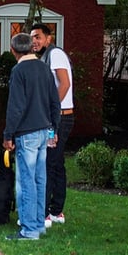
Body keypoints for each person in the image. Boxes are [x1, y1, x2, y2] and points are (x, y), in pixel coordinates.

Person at [3, 33, 61, 240]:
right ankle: (38, 224)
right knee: (39, 179)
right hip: (44, 130)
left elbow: (16, 107)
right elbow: (55, 102)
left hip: (25, 133)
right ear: (31, 48)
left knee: (27, 181)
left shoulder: (19, 71)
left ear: (13, 50)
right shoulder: (45, 68)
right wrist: (54, 130)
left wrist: (8, 134)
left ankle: (29, 230)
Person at [31, 23, 74, 225]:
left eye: (38, 37)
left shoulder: (55, 54)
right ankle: (57, 211)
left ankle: (47, 212)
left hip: (60, 118)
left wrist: (51, 113)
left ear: (49, 38)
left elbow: (64, 84)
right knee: (57, 163)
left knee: (49, 162)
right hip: (59, 117)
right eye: (32, 37)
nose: (34, 41)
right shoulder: (46, 57)